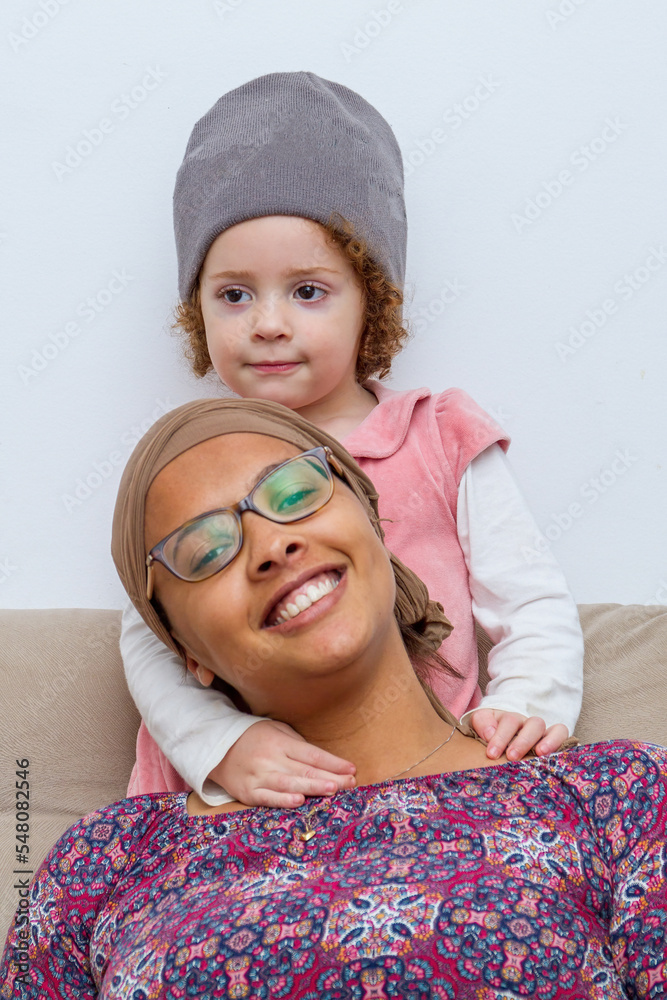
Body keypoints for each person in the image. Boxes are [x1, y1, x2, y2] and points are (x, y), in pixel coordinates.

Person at [2, 398, 664, 999]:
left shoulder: (620, 793)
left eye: (294, 494)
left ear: (371, 521)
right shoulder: (103, 858)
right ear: (186, 654)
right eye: (205, 550)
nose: (271, 544)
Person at [122, 71, 584, 809]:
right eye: (233, 294)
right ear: (196, 308)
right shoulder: (185, 473)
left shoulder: (439, 436)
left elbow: (528, 601)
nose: (267, 323)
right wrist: (222, 746)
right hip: (253, 807)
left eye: (306, 291)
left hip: (426, 784)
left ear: (370, 298)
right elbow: (149, 637)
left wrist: (526, 706)